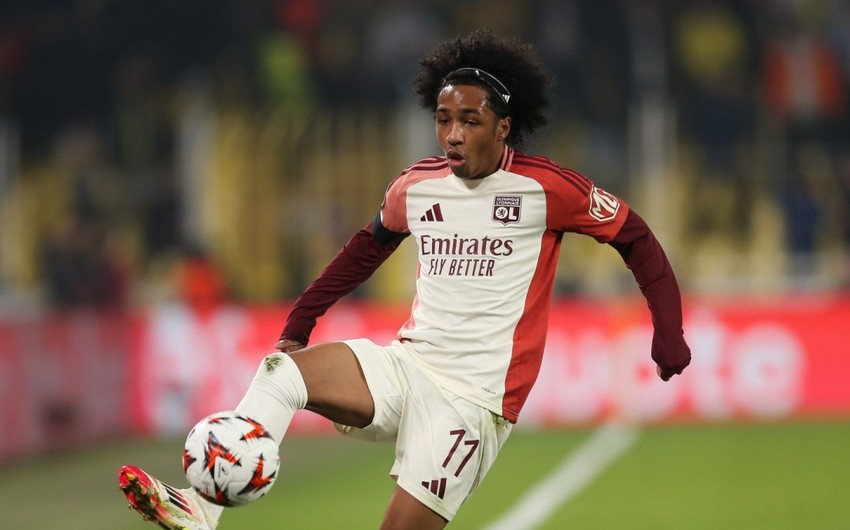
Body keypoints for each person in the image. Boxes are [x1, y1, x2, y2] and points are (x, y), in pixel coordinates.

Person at [118, 29, 691, 530]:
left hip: (474, 403)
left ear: (504, 127)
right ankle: (202, 507)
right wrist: (300, 322)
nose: (453, 134)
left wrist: (668, 332)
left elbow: (635, 237)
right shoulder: (415, 187)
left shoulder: (548, 189)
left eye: (470, 121)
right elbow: (363, 251)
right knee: (282, 373)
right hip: (408, 368)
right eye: (444, 120)